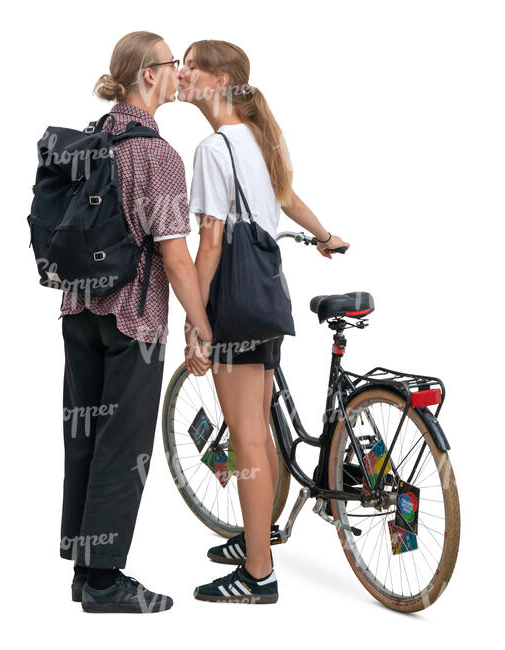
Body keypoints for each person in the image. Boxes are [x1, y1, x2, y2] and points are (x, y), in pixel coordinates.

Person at [177, 39, 350, 604]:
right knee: (260, 429)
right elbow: (288, 198)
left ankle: (258, 574)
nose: (181, 73)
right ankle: (260, 536)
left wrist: (197, 322)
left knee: (248, 436)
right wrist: (324, 236)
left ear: (220, 79)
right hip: (267, 298)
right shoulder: (257, 138)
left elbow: (209, 244)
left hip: (233, 301)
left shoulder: (212, 148)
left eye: (192, 64)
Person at [59, 31, 212, 613]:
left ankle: (84, 571)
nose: (178, 73)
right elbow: (175, 255)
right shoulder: (157, 155)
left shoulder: (90, 138)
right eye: (172, 64)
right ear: (149, 75)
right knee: (124, 446)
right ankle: (104, 584)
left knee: (86, 437)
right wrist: (200, 324)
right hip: (134, 317)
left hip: (79, 309)